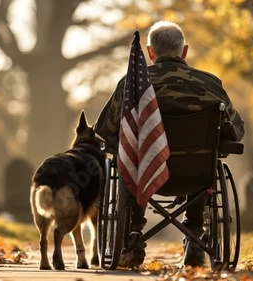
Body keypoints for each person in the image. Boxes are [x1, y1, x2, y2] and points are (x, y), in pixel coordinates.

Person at [94, 21, 245, 268]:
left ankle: (133, 234)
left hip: (145, 172)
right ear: (184, 51)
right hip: (195, 175)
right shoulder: (210, 84)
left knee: (128, 156)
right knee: (204, 163)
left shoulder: (132, 85)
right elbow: (236, 131)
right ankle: (195, 237)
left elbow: (105, 130)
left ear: (150, 52)